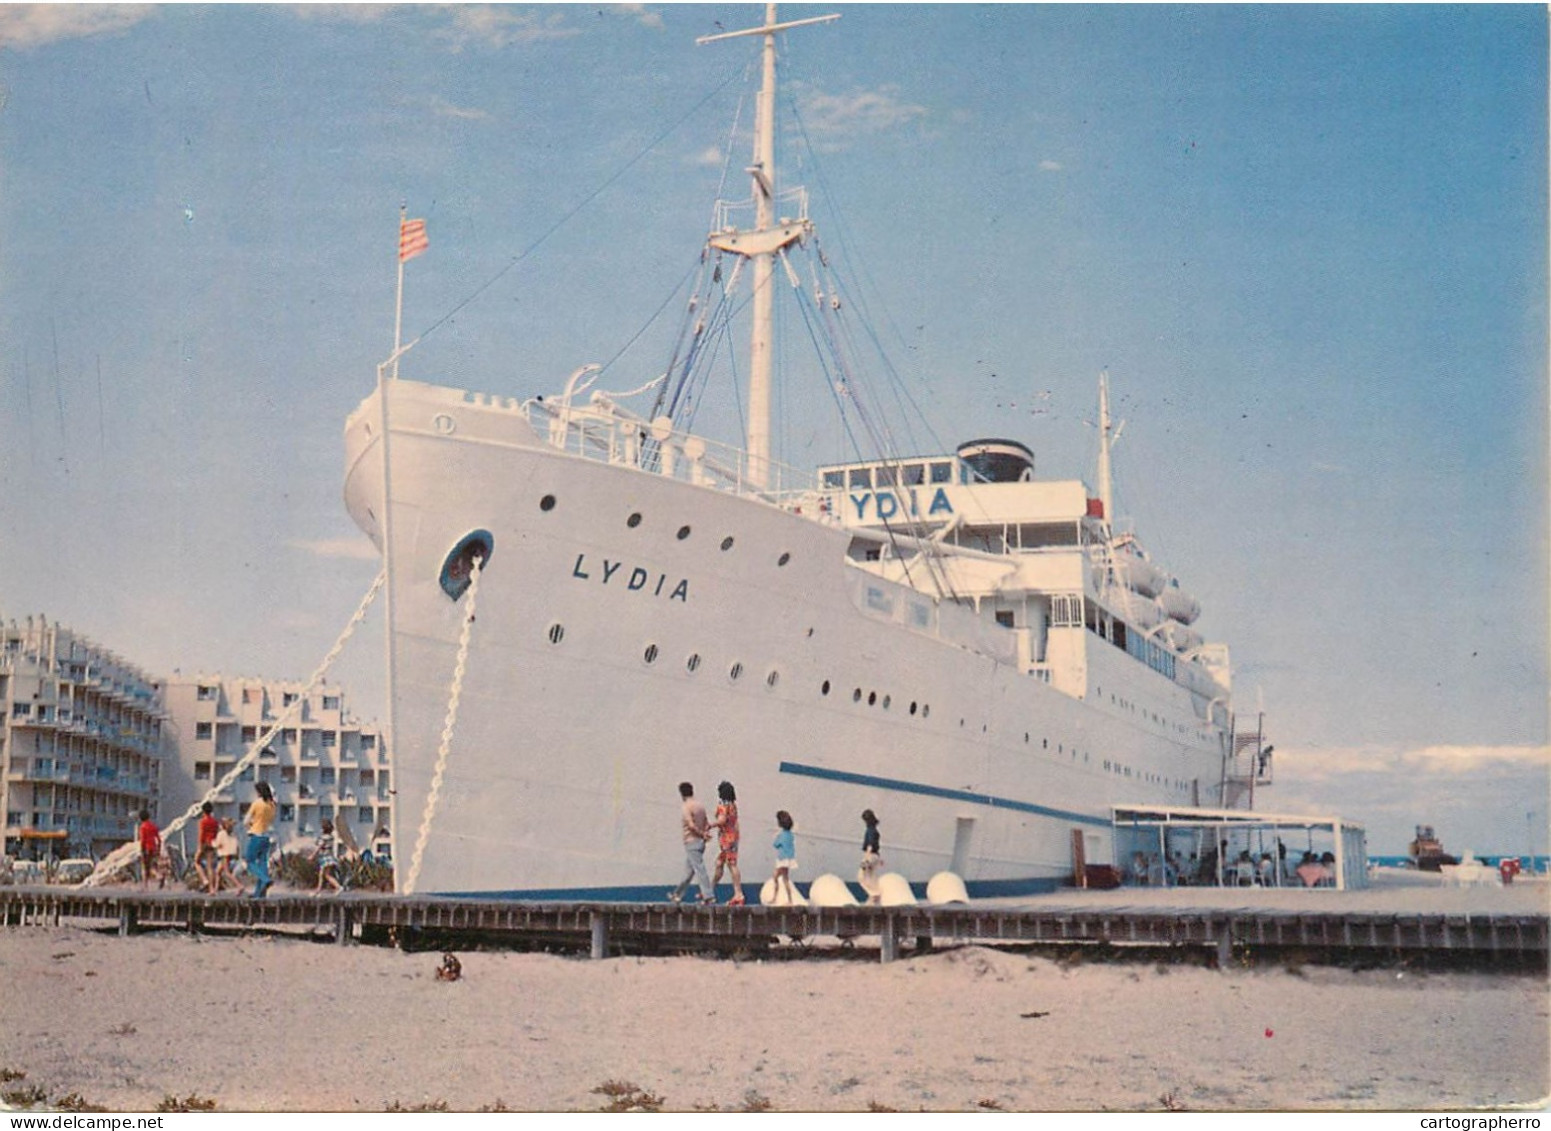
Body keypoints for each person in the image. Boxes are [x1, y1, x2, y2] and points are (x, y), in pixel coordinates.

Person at [667, 782, 714, 904]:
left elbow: (691, 825)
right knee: (688, 871)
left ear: (682, 794)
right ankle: (677, 894)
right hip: (700, 843)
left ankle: (708, 895)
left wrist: (701, 834)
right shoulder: (700, 806)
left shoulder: (686, 807)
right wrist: (704, 834)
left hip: (691, 842)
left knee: (699, 869)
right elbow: (706, 823)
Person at [707, 781, 744, 906]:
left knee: (732, 864)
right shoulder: (733, 805)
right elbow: (734, 822)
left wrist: (711, 825)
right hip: (732, 837)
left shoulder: (723, 805)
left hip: (726, 839)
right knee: (719, 863)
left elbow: (722, 820)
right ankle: (710, 890)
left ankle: (738, 894)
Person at [244, 782, 277, 898]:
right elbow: (270, 820)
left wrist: (251, 825)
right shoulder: (272, 805)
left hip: (256, 835)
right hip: (267, 836)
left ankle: (266, 880)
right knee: (262, 863)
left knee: (249, 862)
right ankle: (259, 893)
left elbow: (246, 821)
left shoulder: (257, 803)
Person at [771, 810, 797, 905]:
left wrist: (776, 836)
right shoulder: (790, 835)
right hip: (788, 859)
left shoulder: (781, 835)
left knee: (783, 879)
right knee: (776, 877)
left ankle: (788, 900)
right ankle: (775, 897)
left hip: (782, 860)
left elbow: (775, 844)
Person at [312, 819, 344, 896]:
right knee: (323, 875)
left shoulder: (323, 837)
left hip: (325, 858)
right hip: (330, 857)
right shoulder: (331, 837)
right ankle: (318, 891)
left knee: (325, 875)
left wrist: (312, 855)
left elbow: (319, 846)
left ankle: (338, 887)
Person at [194, 802, 220, 893]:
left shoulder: (203, 821)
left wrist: (200, 846)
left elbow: (201, 834)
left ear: (203, 811)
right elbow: (216, 833)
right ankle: (211, 889)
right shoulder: (215, 822)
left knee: (196, 862)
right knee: (210, 867)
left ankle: (204, 880)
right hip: (212, 843)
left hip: (204, 843)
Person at [858, 809, 883, 904]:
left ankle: (874, 894)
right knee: (871, 877)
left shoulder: (870, 830)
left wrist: (866, 859)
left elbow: (870, 845)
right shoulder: (875, 830)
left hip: (871, 856)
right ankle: (874, 898)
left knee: (861, 877)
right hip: (875, 856)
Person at [213, 817, 240, 893]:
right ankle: (216, 888)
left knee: (227, 873)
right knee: (218, 872)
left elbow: (218, 844)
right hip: (229, 855)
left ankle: (239, 886)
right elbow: (236, 846)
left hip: (224, 855)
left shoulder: (221, 834)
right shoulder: (231, 835)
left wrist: (212, 843)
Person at [136, 809, 161, 891]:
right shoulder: (153, 826)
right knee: (151, 866)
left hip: (146, 849)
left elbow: (143, 840)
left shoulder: (143, 827)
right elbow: (159, 840)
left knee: (145, 867)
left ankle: (145, 886)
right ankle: (158, 876)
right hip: (154, 848)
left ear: (140, 818)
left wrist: (142, 850)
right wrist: (158, 850)